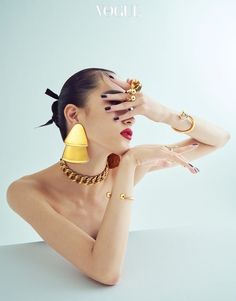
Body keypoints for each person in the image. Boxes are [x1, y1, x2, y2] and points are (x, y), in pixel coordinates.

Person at [6, 67, 230, 285]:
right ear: (73, 114)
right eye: (116, 104)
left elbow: (219, 139)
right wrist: (130, 164)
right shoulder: (26, 192)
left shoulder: (125, 168)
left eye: (131, 105)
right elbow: (106, 273)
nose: (131, 118)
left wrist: (164, 114)